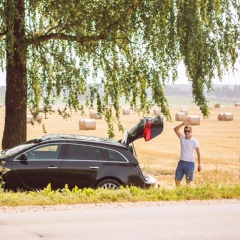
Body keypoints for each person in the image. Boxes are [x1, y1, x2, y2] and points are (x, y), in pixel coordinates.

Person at [174, 118, 201, 186]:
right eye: (185, 131)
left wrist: (199, 164)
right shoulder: (182, 138)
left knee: (188, 182)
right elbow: (175, 129)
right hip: (181, 162)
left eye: (188, 131)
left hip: (190, 163)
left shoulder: (194, 141)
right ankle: (179, 194)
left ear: (191, 132)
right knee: (177, 180)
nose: (187, 132)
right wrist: (182, 124)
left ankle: (187, 195)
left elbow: (198, 153)